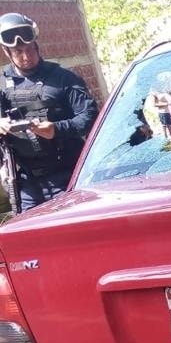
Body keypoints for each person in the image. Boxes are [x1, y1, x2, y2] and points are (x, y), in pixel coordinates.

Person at [0, 12, 98, 212]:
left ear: (37, 45)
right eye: (18, 51)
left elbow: (91, 117)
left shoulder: (64, 78)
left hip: (68, 175)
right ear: (6, 51)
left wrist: (57, 129)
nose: (26, 57)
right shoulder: (2, 85)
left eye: (30, 49)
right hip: (27, 184)